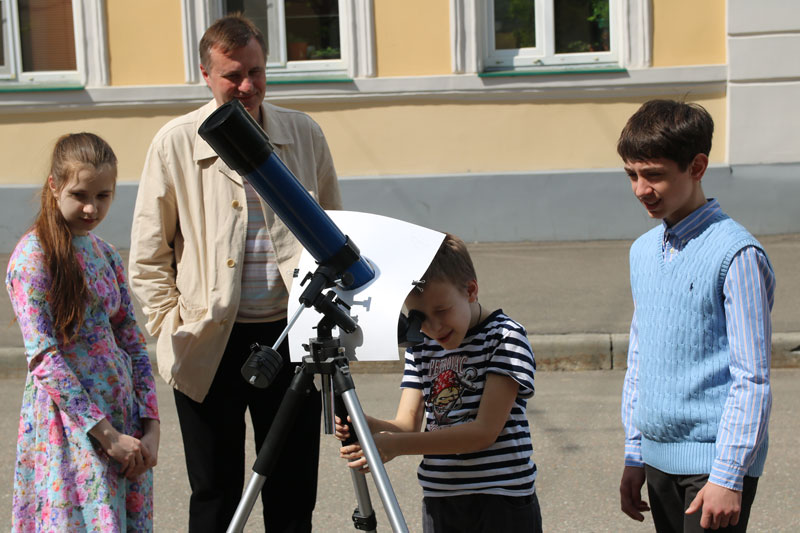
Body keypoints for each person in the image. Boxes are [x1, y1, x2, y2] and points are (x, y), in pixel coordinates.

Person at [128, 13, 341, 532]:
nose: (247, 86)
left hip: (291, 340)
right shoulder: (176, 142)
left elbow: (334, 231)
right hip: (207, 342)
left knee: (292, 493)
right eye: (233, 75)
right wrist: (171, 326)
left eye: (256, 72)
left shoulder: (303, 133)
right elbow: (148, 258)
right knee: (215, 493)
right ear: (205, 74)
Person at [618, 100, 775, 532]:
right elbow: (640, 359)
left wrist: (728, 475)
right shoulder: (642, 252)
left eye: (654, 175)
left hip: (714, 466)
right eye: (631, 174)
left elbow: (752, 377)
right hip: (656, 459)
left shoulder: (737, 254)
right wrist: (635, 452)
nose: (641, 189)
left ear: (697, 166)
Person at [335, 233, 542, 533]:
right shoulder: (421, 346)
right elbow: (407, 424)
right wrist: (367, 425)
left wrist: (394, 445)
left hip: (502, 498)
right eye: (419, 318)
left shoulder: (504, 338)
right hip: (441, 497)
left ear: (470, 290)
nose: (433, 327)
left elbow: (484, 433)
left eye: (442, 311)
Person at [6, 133, 160, 532]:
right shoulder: (33, 256)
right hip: (73, 427)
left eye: (103, 196)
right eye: (80, 195)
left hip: (123, 423)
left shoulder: (105, 253)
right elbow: (44, 358)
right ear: (55, 186)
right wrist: (105, 435)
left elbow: (132, 340)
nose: (92, 208)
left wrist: (151, 426)